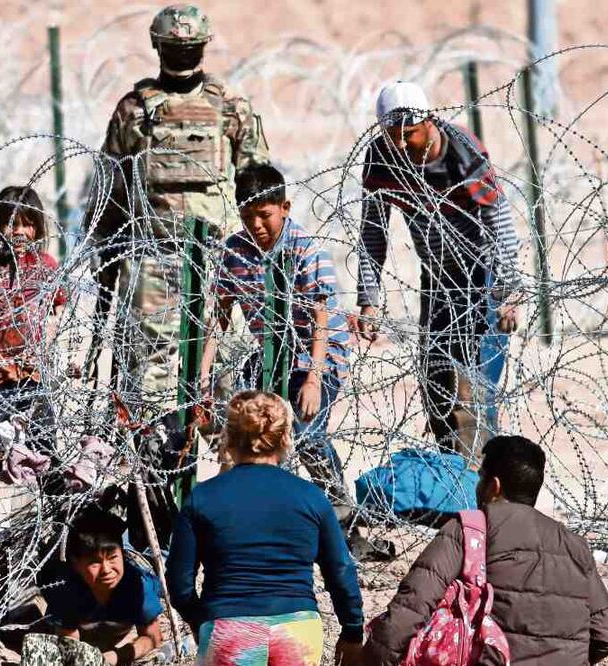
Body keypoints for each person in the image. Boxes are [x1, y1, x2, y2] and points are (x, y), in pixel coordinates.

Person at [90, 3, 269, 419]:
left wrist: (256, 252)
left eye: (188, 47)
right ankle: (155, 451)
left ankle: (221, 449)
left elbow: (258, 184)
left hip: (216, 257)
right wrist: (104, 249)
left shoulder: (230, 106)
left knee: (221, 370)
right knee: (148, 372)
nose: (183, 53)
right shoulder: (135, 109)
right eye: (177, 46)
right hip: (155, 255)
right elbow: (111, 189)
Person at [352, 81, 521, 459]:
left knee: (473, 389)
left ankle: (480, 478)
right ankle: (451, 472)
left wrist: (507, 290)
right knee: (437, 385)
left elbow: (499, 220)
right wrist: (369, 298)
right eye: (392, 135)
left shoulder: (460, 149)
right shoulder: (381, 157)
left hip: (481, 277)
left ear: (428, 121)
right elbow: (373, 230)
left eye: (408, 134)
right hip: (437, 279)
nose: (400, 144)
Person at [364, 435, 608, 665]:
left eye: (480, 478)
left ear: (494, 486)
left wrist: (369, 659)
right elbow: (606, 633)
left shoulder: (470, 530)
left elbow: (409, 610)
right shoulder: (574, 545)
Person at [200, 164, 356, 524]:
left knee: (306, 432)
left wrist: (313, 379)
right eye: (247, 217)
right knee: (248, 425)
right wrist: (204, 373)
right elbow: (220, 315)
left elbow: (320, 320)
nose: (256, 225)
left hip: (317, 353)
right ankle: (258, 506)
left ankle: (340, 508)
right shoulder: (235, 252)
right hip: (270, 352)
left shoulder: (305, 250)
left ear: (284, 208)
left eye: (264, 215)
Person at [166, 391, 364, 665]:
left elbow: (179, 584)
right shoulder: (311, 497)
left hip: (229, 628)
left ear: (228, 437)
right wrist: (352, 630)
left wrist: (201, 621)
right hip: (297, 629)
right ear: (285, 438)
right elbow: (340, 570)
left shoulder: (202, 498)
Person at [0, 186, 71, 529]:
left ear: (37, 227)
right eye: (11, 223)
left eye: (27, 224)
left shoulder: (45, 266)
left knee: (44, 449)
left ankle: (56, 522)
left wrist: (40, 348)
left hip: (32, 379)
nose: (19, 232)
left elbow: (57, 310)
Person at [38, 509, 164, 665]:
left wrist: (114, 657)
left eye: (113, 558)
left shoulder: (138, 586)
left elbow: (153, 637)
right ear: (76, 564)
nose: (106, 570)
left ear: (122, 554)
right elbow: (69, 643)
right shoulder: (66, 589)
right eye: (94, 562)